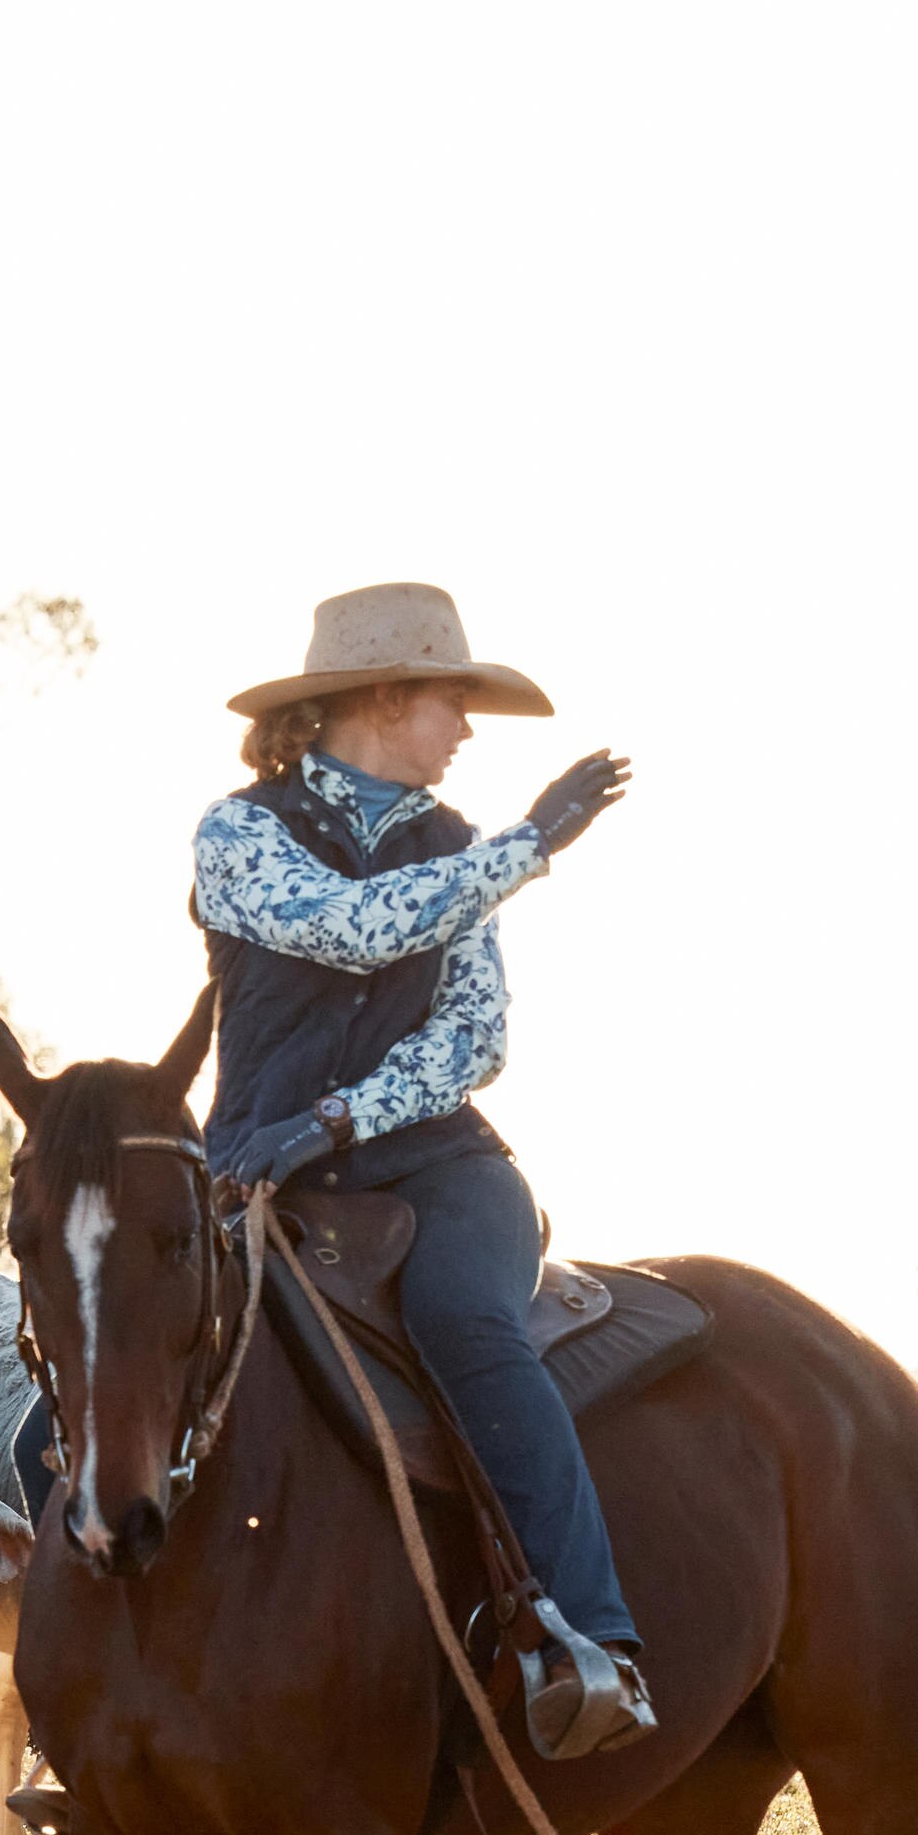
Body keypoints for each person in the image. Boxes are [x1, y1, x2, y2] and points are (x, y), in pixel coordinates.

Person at [191, 582, 648, 1759]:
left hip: (437, 1170)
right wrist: (528, 846)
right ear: (386, 699)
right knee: (97, 1363)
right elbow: (351, 926)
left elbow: (472, 1037)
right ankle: (79, 1691)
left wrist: (338, 1117)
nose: (466, 729)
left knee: (467, 1323)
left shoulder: (458, 848)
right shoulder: (237, 833)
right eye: (453, 699)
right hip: (247, 1161)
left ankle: (587, 1639)